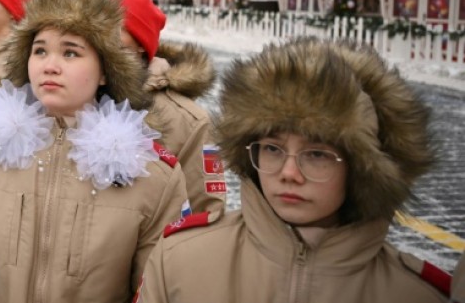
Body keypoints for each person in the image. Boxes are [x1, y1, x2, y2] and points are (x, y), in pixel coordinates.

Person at [137, 37, 451, 303]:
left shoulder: (416, 292)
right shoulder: (180, 261)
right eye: (273, 149)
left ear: (362, 168)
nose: (289, 173)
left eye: (316, 155)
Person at [0, 0, 188, 303]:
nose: (50, 66)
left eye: (70, 53)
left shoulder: (150, 174)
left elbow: (157, 291)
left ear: (106, 70)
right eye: (40, 50)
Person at [110, 0, 225, 216]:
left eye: (116, 26)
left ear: (141, 45)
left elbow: (206, 208)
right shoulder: (77, 99)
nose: (104, 34)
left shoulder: (192, 121)